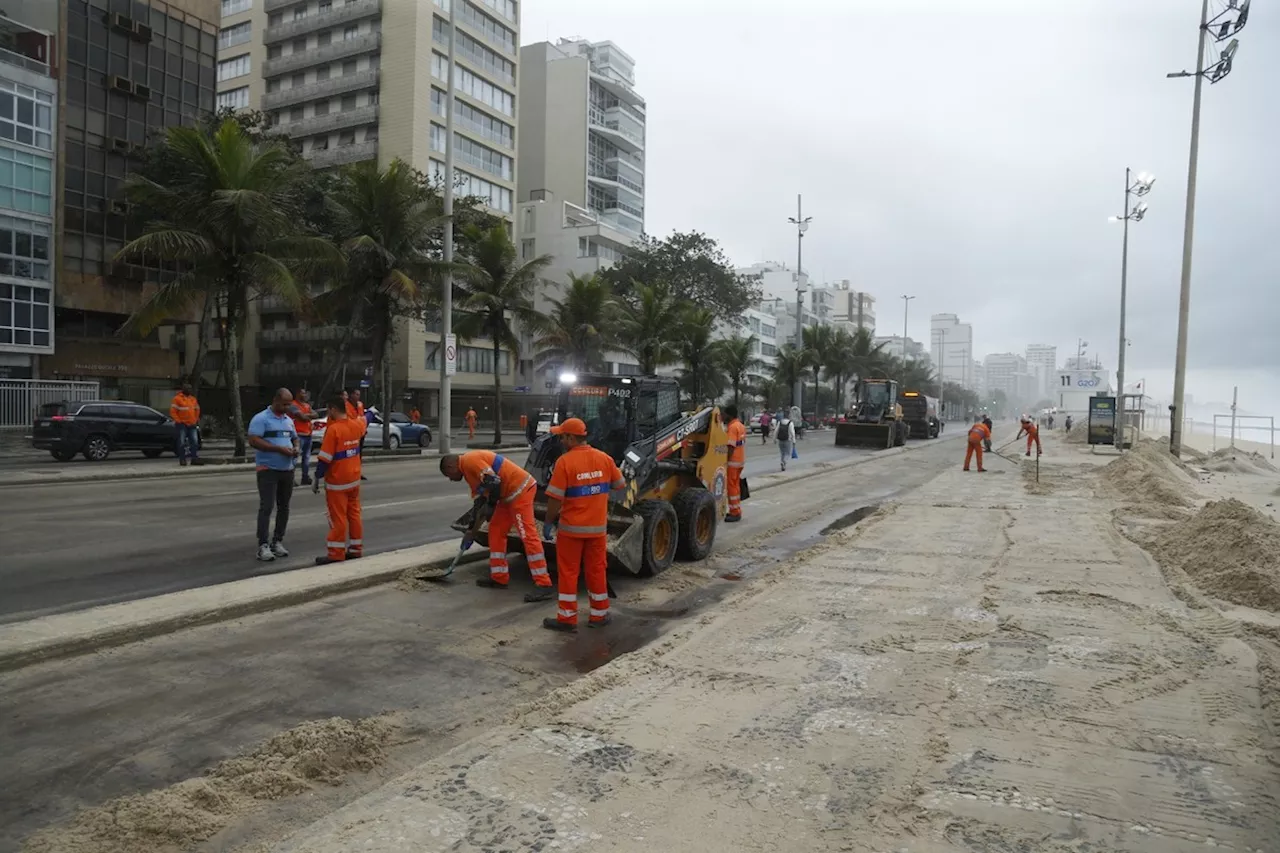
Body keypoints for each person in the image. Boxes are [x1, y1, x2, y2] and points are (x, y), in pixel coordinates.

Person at [541, 417, 626, 632]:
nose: (561, 440)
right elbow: (620, 485)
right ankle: (599, 615)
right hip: (597, 529)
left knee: (569, 572)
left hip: (571, 530)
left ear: (571, 437)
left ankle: (567, 619)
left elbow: (554, 499)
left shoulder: (565, 462)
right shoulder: (604, 458)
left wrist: (549, 521)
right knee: (596, 571)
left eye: (562, 436)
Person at [440, 450, 554, 600]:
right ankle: (499, 576)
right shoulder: (468, 473)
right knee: (495, 531)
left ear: (451, 466)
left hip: (520, 491)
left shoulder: (470, 461)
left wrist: (491, 506)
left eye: (449, 476)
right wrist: (471, 532)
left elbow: (494, 482)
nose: (451, 480)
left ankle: (544, 584)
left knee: (527, 535)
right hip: (506, 497)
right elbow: (480, 504)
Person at [248, 388, 300, 561]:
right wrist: (277, 448)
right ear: (275, 400)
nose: (287, 407)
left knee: (284, 506)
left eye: (289, 404)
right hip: (268, 469)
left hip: (287, 469)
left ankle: (277, 541)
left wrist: (296, 448)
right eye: (284, 404)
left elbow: (295, 437)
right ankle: (262, 545)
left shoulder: (288, 421)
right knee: (267, 506)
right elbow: (254, 440)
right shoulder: (261, 419)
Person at [313, 391, 364, 564]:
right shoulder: (355, 425)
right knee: (354, 514)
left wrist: (316, 478)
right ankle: (356, 549)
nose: (328, 414)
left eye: (328, 410)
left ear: (333, 409)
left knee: (338, 517)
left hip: (337, 482)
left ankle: (336, 553)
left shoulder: (334, 430)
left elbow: (325, 459)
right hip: (354, 479)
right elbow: (365, 422)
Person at [288, 388, 319, 485]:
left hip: (308, 434)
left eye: (305, 393)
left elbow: (316, 414)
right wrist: (308, 416)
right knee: (295, 458)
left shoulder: (306, 405)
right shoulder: (293, 405)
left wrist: (306, 415)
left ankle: (305, 477)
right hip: (298, 435)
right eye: (303, 393)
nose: (305, 395)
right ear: (297, 394)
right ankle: (290, 479)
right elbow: (303, 418)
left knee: (306, 458)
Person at [724, 404, 747, 522]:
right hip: (740, 461)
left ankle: (735, 512)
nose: (724, 416)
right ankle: (736, 509)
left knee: (731, 487)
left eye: (725, 414)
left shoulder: (732, 427)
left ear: (729, 415)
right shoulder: (741, 426)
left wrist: (725, 460)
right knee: (736, 485)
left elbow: (731, 446)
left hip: (733, 462)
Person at [169, 383, 201, 466]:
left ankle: (194, 458)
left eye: (190, 388)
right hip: (182, 424)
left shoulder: (193, 399)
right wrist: (178, 421)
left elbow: (197, 410)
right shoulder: (177, 399)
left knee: (194, 442)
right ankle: (182, 459)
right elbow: (173, 412)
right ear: (183, 389)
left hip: (192, 424)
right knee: (181, 442)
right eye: (188, 388)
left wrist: (195, 420)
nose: (190, 390)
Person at [346, 389, 369, 481]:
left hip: (360, 432)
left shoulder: (360, 405)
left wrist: (364, 429)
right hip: (351, 433)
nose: (357, 396)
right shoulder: (346, 405)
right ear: (351, 395)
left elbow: (362, 418)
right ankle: (349, 472)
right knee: (350, 453)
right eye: (356, 394)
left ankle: (357, 472)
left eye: (359, 394)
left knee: (358, 454)